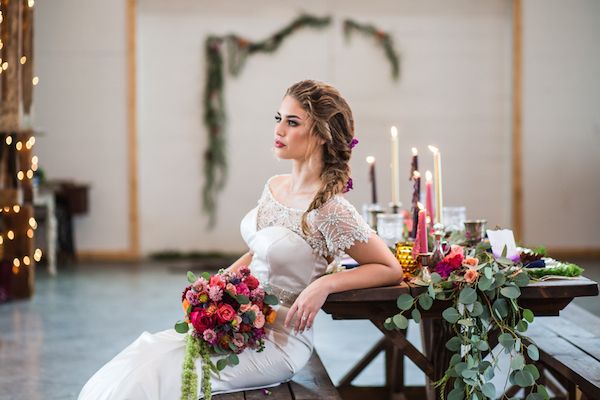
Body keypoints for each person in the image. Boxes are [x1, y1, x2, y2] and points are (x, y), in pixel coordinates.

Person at [78, 79, 403, 399]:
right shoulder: (274, 185)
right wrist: (213, 290)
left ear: (320, 135)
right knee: (144, 359)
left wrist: (323, 285)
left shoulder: (330, 209)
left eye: (292, 123)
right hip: (241, 322)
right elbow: (258, 252)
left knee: (163, 378)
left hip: (280, 342)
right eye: (278, 119)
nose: (279, 130)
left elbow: (388, 268)